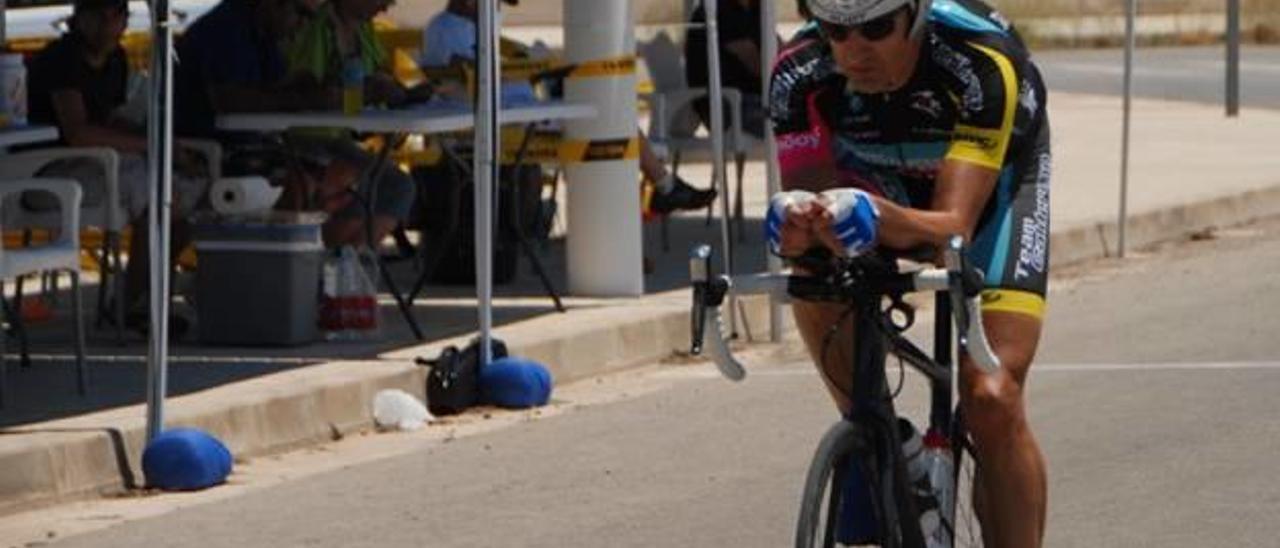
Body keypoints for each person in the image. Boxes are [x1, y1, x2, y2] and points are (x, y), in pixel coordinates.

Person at [768, 0, 1050, 546]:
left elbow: (952, 228)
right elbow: (813, 207)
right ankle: (884, 446)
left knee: (991, 397)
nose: (854, 49)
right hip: (877, 179)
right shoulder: (798, 72)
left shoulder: (978, 59)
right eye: (836, 31)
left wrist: (873, 215)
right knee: (813, 265)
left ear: (915, 13)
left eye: (875, 28)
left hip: (991, 192)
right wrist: (799, 222)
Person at [420, 0, 716, 215]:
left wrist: (525, 65)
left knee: (613, 128)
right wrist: (523, 67)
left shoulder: (467, 26)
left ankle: (661, 190)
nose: (498, 9)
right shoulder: (446, 29)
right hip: (508, 118)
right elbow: (459, 73)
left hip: (519, 111)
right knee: (611, 127)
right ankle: (663, 187)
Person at [27, 0, 211, 337]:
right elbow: (79, 132)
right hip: (49, 173)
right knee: (153, 190)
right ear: (80, 17)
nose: (110, 22)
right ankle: (134, 306)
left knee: (185, 189)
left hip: (102, 165)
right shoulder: (60, 59)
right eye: (101, 13)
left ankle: (138, 298)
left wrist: (168, 146)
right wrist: (151, 146)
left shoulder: (117, 60)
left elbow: (110, 119)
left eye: (118, 13)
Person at [683, 0, 773, 138]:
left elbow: (774, 50)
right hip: (726, 106)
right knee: (790, 123)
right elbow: (759, 63)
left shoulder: (758, 9)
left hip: (754, 100)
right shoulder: (715, 11)